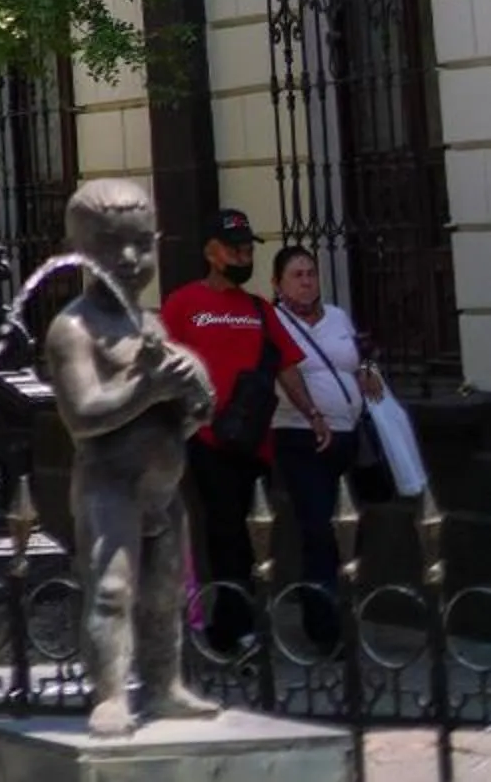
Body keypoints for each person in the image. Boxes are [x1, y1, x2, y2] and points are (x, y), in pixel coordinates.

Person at [41, 179, 219, 734]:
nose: (130, 258)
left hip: (163, 491)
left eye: (142, 244)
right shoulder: (73, 327)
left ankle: (165, 685)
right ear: (80, 253)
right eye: (112, 246)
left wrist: (196, 394)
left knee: (164, 595)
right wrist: (150, 389)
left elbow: (191, 418)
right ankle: (111, 693)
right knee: (112, 590)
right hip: (109, 485)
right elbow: (84, 415)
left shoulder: (152, 325)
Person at [159, 204, 330, 653]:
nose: (241, 256)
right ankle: (232, 625)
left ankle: (239, 619)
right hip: (206, 438)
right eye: (233, 249)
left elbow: (288, 366)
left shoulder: (257, 308)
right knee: (225, 530)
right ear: (211, 252)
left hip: (255, 442)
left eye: (245, 249)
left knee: (250, 530)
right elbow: (161, 365)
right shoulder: (183, 304)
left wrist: (312, 413)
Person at [272, 243, 380, 651]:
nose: (306, 281)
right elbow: (283, 372)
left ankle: (338, 600)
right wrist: (313, 413)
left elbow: (361, 354)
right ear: (279, 284)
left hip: (349, 436)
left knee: (350, 526)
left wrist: (369, 370)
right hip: (301, 436)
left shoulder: (336, 316)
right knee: (317, 527)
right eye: (296, 275)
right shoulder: (275, 320)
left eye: (311, 273)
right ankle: (323, 626)